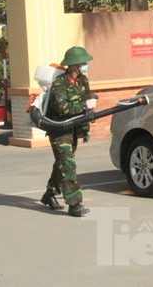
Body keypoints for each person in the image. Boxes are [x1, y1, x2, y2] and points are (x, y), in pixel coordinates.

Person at [41, 46, 96, 217]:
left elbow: (86, 103)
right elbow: (62, 108)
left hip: (73, 127)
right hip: (59, 129)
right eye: (83, 62)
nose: (85, 65)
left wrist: (86, 129)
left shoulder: (82, 80)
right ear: (73, 65)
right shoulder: (60, 83)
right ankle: (74, 204)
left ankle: (49, 194)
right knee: (68, 165)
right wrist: (85, 105)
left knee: (62, 163)